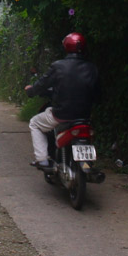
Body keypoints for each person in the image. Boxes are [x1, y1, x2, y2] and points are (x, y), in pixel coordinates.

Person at [24, 32, 100, 168]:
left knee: (34, 123)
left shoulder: (58, 66)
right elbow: (98, 93)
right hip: (85, 117)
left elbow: (42, 83)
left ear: (66, 47)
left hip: (61, 114)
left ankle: (42, 159)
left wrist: (31, 90)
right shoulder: (92, 68)